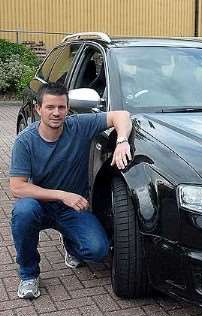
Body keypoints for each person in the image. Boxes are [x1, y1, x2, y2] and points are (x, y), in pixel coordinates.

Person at [9, 83, 133, 299]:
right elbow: (17, 187)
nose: (56, 113)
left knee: (97, 251)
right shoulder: (25, 141)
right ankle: (29, 275)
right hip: (40, 205)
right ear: (38, 109)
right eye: (50, 107)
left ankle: (70, 243)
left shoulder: (78, 126)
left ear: (68, 109)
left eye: (61, 107)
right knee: (23, 212)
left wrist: (122, 141)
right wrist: (62, 194)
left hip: (72, 209)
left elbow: (121, 115)